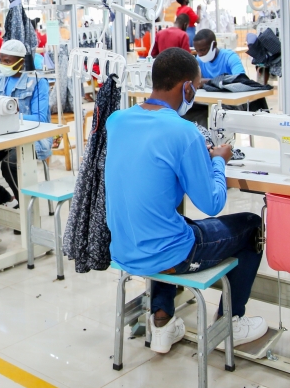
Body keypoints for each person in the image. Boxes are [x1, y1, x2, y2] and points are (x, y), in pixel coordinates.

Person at [105, 47, 267, 352]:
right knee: (251, 225)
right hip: (169, 255)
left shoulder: (117, 121)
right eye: (197, 86)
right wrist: (218, 160)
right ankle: (230, 323)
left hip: (124, 247)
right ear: (187, 87)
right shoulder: (184, 132)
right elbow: (213, 202)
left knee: (173, 223)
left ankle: (162, 319)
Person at [0, 39, 51, 204]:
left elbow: (40, 119)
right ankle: (5, 198)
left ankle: (26, 209)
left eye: (7, 61)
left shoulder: (37, 82)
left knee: (10, 165)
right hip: (3, 136)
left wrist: (11, 116)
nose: (3, 64)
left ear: (21, 62)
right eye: (1, 59)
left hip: (31, 138)